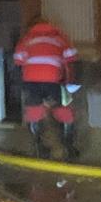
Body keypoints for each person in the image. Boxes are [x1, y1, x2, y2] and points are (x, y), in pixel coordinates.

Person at [13, 16, 80, 160]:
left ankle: (38, 146)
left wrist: (23, 84)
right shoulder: (59, 37)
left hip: (31, 80)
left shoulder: (27, 39)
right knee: (62, 109)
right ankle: (69, 146)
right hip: (53, 79)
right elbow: (71, 58)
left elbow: (18, 60)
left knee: (34, 112)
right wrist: (70, 82)